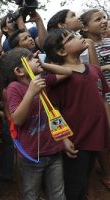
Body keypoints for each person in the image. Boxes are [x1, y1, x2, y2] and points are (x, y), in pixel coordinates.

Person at [0, 47, 75, 200]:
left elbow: (67, 72)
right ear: (19, 71)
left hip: (53, 150)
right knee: (31, 194)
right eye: (31, 59)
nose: (37, 58)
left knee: (58, 194)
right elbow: (17, 120)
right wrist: (31, 92)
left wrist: (64, 138)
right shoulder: (15, 88)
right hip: (31, 156)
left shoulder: (42, 81)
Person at [44, 28, 110, 200]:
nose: (79, 36)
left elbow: (102, 100)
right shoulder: (59, 77)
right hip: (76, 140)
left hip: (97, 136)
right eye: (71, 37)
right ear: (61, 51)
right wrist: (63, 138)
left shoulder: (94, 70)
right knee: (74, 185)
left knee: (85, 179)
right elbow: (52, 111)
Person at [79, 9, 110, 193]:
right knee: (105, 135)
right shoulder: (83, 47)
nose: (104, 21)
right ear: (84, 27)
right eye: (98, 19)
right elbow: (92, 71)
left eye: (104, 18)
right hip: (101, 95)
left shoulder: (109, 41)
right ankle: (106, 173)